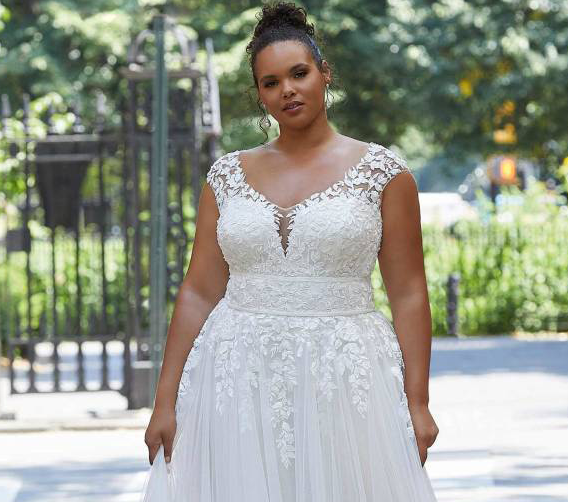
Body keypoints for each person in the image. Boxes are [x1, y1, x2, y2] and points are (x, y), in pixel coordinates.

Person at [140, 2, 439, 500]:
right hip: (235, 374)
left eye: (299, 74)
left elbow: (408, 293)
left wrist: (419, 401)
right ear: (260, 94)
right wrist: (164, 400)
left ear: (324, 74)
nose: (288, 91)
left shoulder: (385, 174)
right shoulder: (226, 176)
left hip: (344, 375)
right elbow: (198, 290)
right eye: (271, 82)